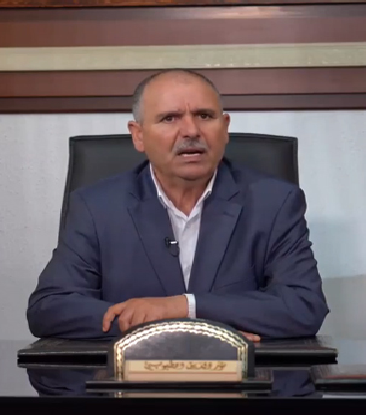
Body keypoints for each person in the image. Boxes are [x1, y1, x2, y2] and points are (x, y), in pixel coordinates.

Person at [27, 69, 328, 341]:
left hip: (240, 380)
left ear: (225, 128)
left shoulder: (274, 202)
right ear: (138, 136)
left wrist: (183, 307)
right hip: (129, 380)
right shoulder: (97, 207)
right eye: (169, 118)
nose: (191, 131)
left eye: (204, 116)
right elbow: (50, 308)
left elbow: (304, 306)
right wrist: (175, 329)